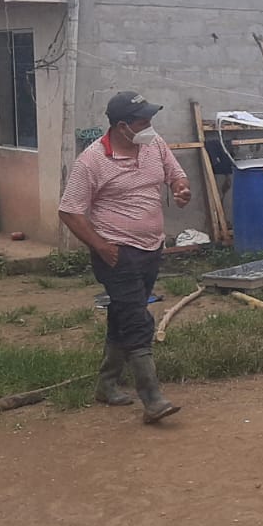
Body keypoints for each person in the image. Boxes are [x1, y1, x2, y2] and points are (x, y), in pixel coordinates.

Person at [59, 91, 191, 424]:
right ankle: (152, 399)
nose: (150, 127)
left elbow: (175, 173)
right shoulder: (92, 161)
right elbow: (70, 211)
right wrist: (101, 247)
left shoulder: (154, 144)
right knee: (137, 319)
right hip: (117, 253)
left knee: (123, 313)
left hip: (151, 248)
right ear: (122, 126)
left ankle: (106, 384)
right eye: (143, 122)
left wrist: (180, 188)